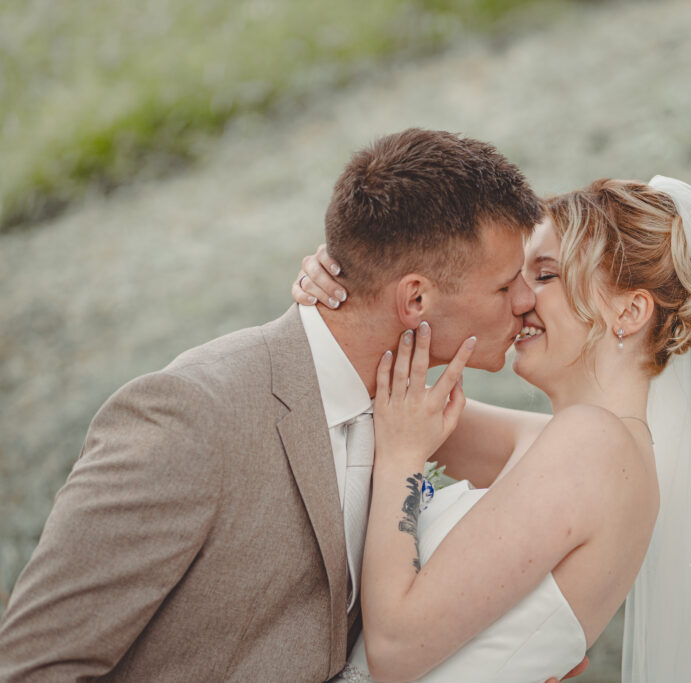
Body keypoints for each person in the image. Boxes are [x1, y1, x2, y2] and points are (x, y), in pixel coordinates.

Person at [0, 129, 590, 682]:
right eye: (504, 284)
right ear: (415, 298)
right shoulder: (190, 416)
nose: (524, 301)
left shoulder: (409, 414)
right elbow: (34, 666)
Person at [294, 176, 691, 682]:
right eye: (517, 278)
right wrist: (349, 287)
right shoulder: (591, 450)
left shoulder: (594, 448)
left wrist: (404, 463)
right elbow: (383, 402)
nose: (519, 299)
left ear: (628, 310)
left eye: (545, 275)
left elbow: (393, 647)